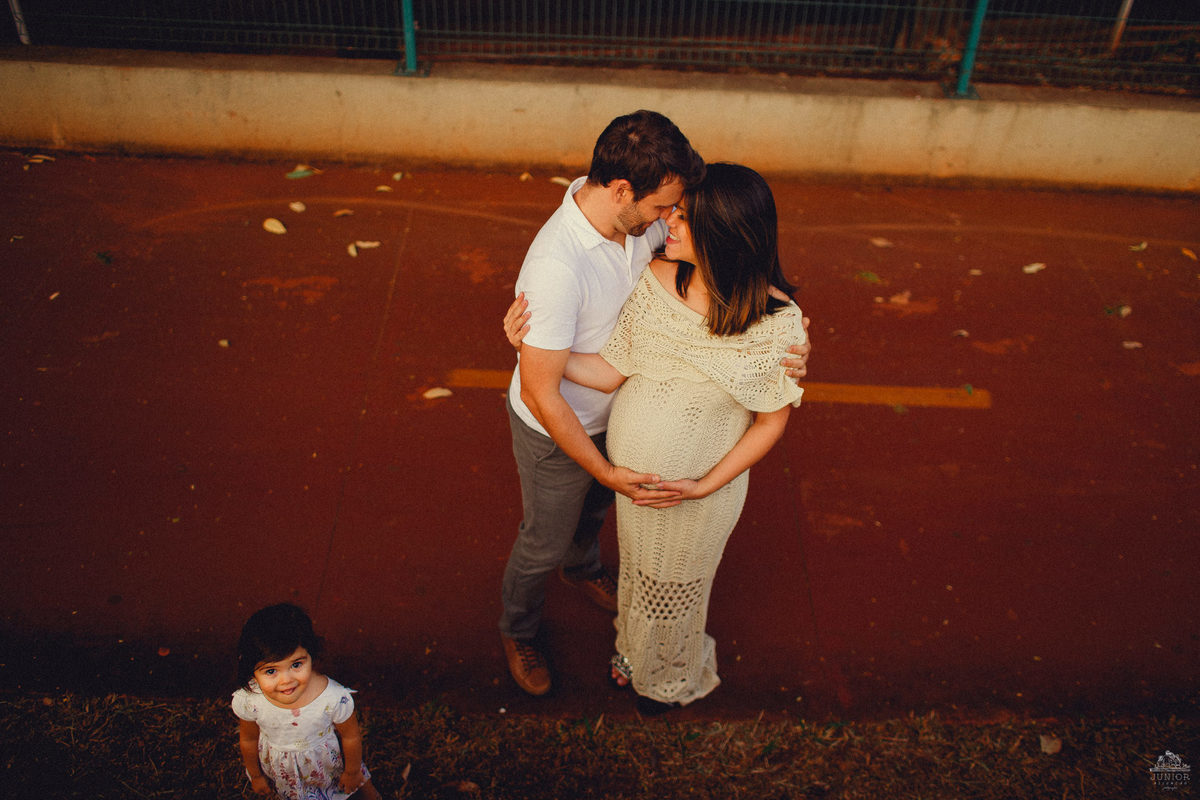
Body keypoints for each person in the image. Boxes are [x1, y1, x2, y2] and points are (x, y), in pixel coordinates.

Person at [499, 110, 809, 697]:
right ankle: (519, 630)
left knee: (591, 521)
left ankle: (584, 569)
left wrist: (792, 338)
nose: (668, 219)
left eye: (679, 210)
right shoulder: (556, 268)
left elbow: (737, 276)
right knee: (544, 539)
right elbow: (544, 392)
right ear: (622, 191)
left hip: (616, 427)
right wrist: (603, 467)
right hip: (560, 426)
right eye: (665, 206)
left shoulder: (644, 228)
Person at [232, 603, 382, 800]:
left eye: (296, 665)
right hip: (285, 769)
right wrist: (256, 775)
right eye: (271, 671)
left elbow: (350, 736)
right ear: (251, 670)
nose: (286, 680)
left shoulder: (333, 698)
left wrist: (352, 772)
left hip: (328, 764)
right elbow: (249, 739)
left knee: (358, 784)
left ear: (311, 655)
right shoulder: (251, 701)